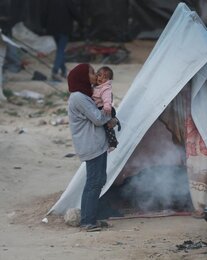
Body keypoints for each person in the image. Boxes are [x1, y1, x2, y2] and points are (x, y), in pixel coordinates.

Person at [67, 63, 117, 232]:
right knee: (94, 182)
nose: (95, 75)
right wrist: (110, 115)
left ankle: (92, 217)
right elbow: (97, 117)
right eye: (91, 73)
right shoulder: (78, 97)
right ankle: (87, 221)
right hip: (91, 144)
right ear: (82, 77)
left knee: (99, 180)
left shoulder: (85, 95)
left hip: (97, 144)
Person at [43, 0, 83, 81]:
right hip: (64, 29)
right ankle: (55, 71)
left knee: (59, 50)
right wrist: (82, 23)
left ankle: (64, 71)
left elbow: (44, 13)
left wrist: (44, 26)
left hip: (53, 28)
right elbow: (75, 13)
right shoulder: (68, 1)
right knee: (61, 50)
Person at [92, 66, 120, 152]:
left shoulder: (105, 88)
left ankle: (113, 142)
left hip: (105, 108)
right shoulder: (95, 86)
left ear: (109, 80)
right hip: (99, 108)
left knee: (108, 126)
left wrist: (107, 106)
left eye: (105, 77)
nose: (101, 78)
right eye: (99, 75)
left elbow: (107, 98)